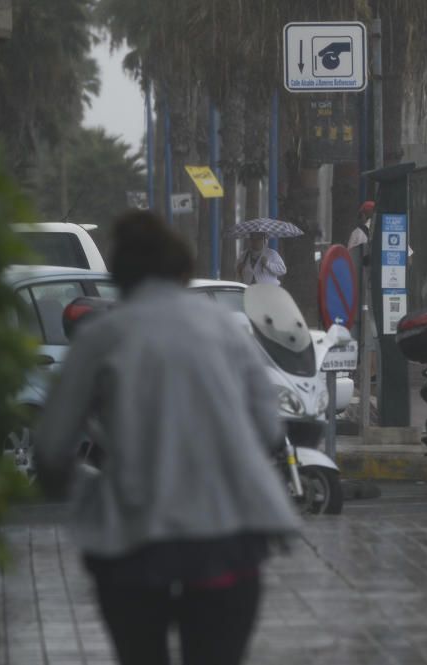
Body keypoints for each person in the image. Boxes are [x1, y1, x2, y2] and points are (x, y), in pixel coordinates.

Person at [34, 210, 301, 665]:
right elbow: (268, 427)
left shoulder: (101, 337)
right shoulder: (223, 329)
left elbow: (52, 448)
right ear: (182, 271)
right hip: (227, 546)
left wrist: (87, 490)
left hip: (134, 551)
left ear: (120, 276)